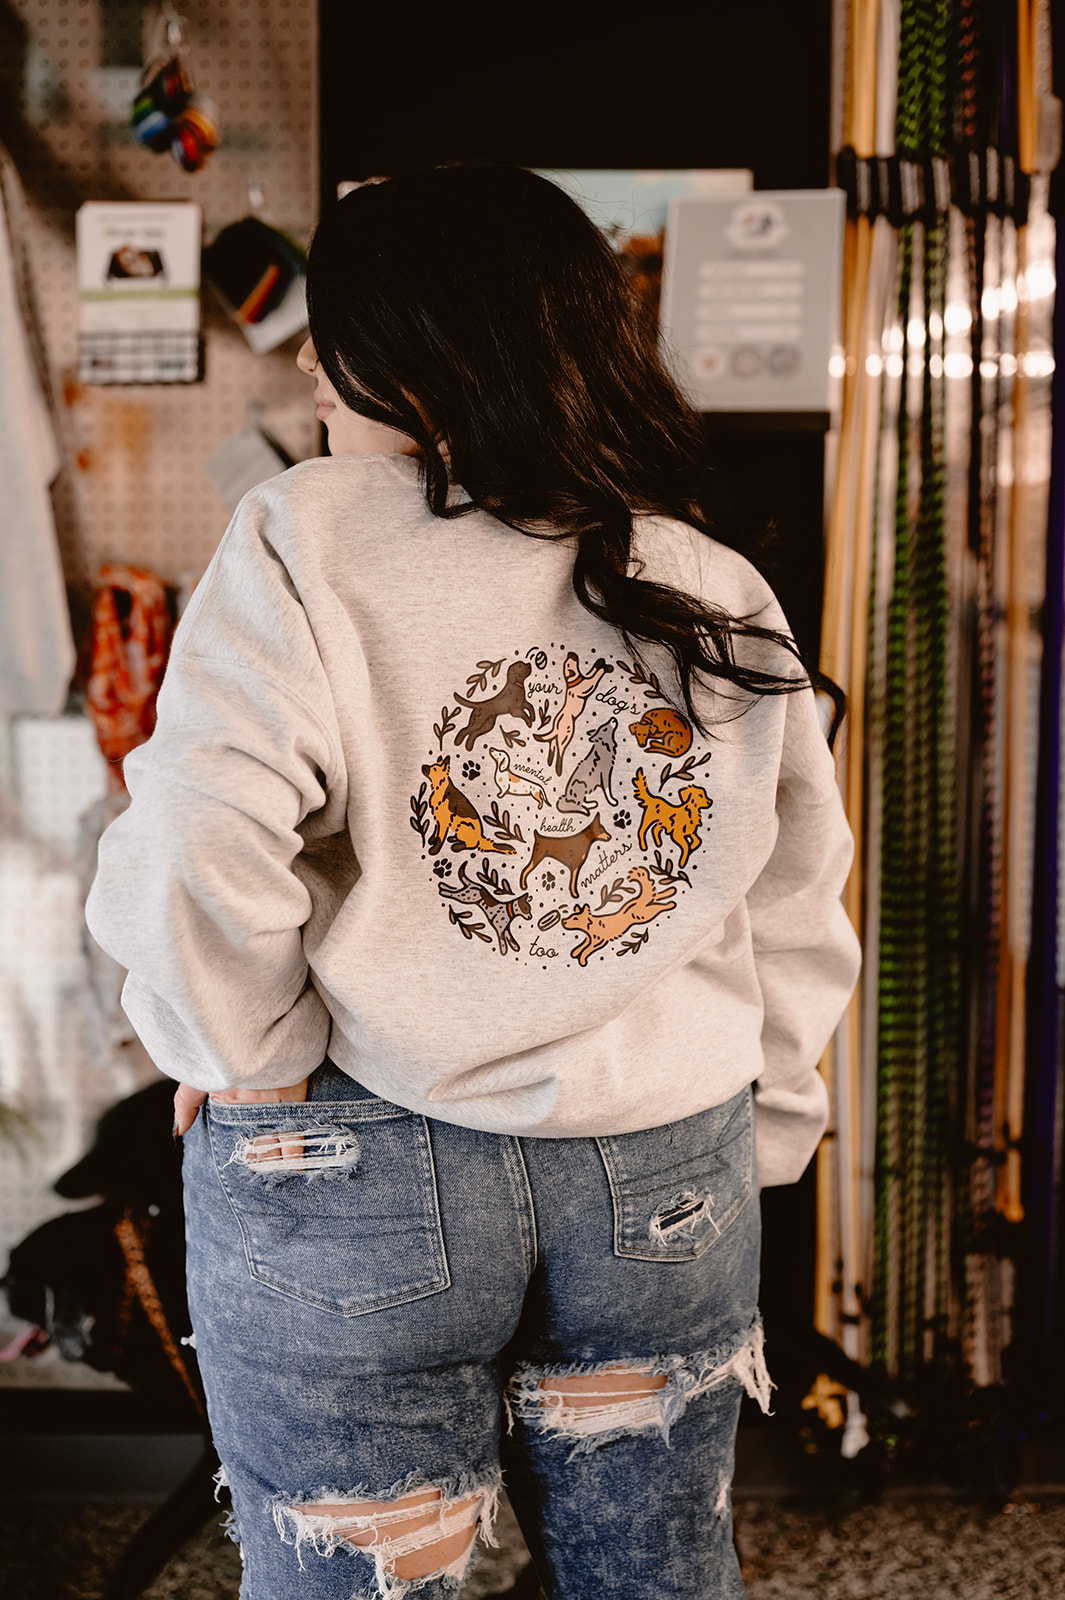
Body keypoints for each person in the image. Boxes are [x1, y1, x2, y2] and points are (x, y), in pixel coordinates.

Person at [86, 165, 860, 1600]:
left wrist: (243, 1050)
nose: (307, 365)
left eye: (332, 334)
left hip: (364, 1157)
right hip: (668, 1169)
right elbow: (792, 887)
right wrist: (767, 1118)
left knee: (367, 1579)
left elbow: (200, 828)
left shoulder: (307, 533)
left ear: (413, 352)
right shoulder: (706, 575)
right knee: (655, 1574)